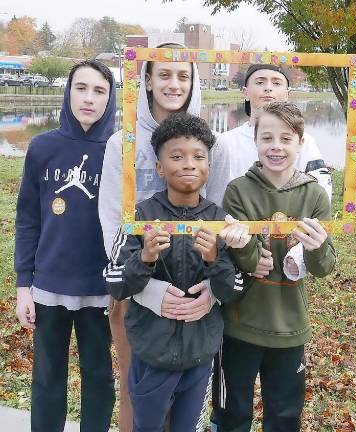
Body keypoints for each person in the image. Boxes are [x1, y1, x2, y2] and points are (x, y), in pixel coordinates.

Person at [98, 42, 214, 431]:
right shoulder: (122, 143)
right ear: (147, 80)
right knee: (139, 402)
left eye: (183, 75)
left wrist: (210, 291)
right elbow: (114, 224)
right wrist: (145, 291)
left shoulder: (205, 140)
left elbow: (219, 220)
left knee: (186, 409)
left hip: (193, 298)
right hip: (139, 291)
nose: (173, 84)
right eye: (164, 74)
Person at [104, 112, 244, 432]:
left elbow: (233, 290)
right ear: (159, 168)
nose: (189, 164)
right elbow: (115, 282)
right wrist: (146, 257)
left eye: (199, 157)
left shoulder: (219, 220)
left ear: (209, 166)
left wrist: (214, 260)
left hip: (200, 357)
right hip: (151, 355)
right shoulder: (141, 217)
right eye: (176, 156)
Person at [214, 101, 336, 432]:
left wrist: (317, 246)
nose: (276, 147)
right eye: (267, 138)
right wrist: (245, 248)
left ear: (300, 142)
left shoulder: (315, 196)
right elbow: (251, 263)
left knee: (284, 415)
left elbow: (324, 267)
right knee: (232, 413)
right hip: (239, 325)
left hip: (290, 327)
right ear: (256, 141)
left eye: (286, 138)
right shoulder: (238, 190)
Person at [14, 59, 116, 431]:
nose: (89, 98)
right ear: (68, 91)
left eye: (99, 90)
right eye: (81, 87)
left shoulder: (120, 151)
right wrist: (24, 285)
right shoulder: (43, 147)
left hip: (101, 289)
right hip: (48, 287)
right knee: (46, 379)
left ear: (110, 97)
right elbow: (27, 218)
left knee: (99, 377)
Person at [207, 63, 332, 283]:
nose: (268, 89)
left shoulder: (306, 141)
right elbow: (214, 197)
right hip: (235, 244)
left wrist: (301, 249)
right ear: (244, 91)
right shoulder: (224, 141)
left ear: (287, 93)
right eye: (260, 82)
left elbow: (320, 195)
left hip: (286, 246)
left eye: (276, 83)